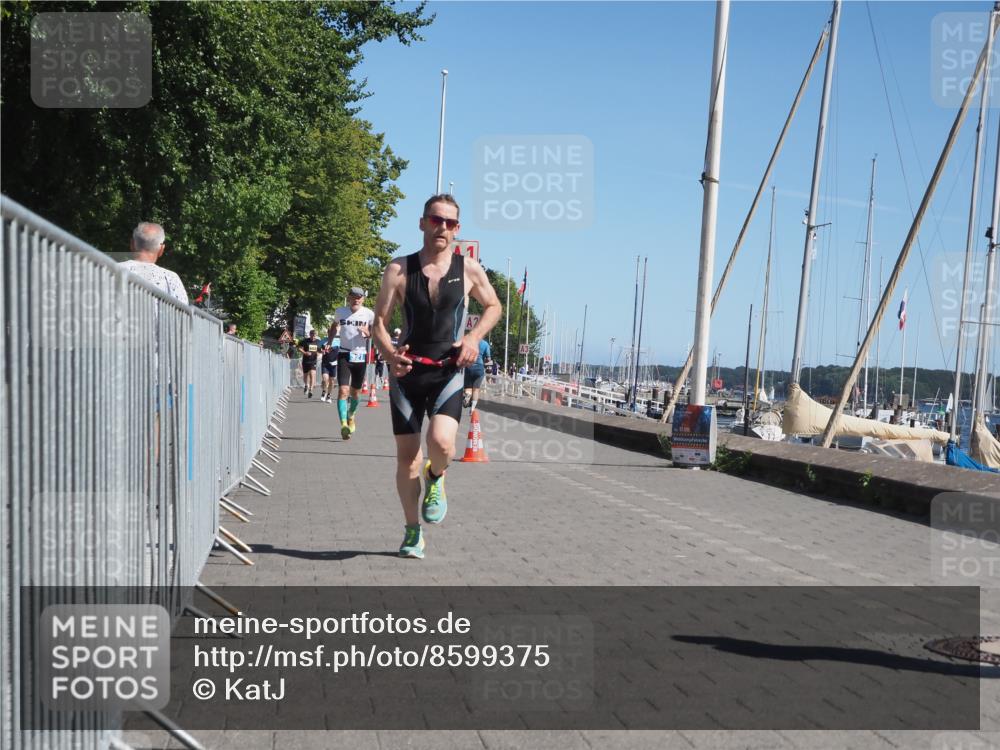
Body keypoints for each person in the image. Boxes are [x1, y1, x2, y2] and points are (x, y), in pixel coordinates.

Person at [373, 194, 501, 559]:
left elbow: (494, 306)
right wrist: (388, 354)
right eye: (435, 220)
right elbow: (379, 323)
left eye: (450, 223)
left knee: (442, 444)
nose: (442, 227)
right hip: (407, 373)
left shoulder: (469, 269)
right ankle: (413, 532)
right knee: (407, 457)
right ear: (422, 222)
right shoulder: (399, 270)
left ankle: (437, 477)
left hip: (448, 371)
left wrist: (474, 338)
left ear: (458, 229)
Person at [331, 287, 375, 438]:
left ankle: (351, 415)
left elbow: (374, 332)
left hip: (360, 356)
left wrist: (368, 333)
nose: (356, 300)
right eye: (353, 297)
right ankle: (343, 424)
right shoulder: (340, 312)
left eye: (359, 297)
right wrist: (330, 343)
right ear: (348, 297)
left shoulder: (369, 314)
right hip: (344, 354)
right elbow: (334, 326)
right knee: (343, 391)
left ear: (363, 299)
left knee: (355, 392)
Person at [118, 222, 188, 304]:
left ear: (132, 244)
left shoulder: (109, 269)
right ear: (161, 249)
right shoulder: (170, 278)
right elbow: (183, 314)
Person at [463, 338, 493, 411]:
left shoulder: (469, 341)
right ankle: (472, 408)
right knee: (476, 389)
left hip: (469, 366)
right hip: (479, 368)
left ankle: (468, 395)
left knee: (468, 387)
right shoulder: (485, 344)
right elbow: (488, 359)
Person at [298, 329, 322, 397]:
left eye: (315, 335)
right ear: (310, 334)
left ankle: (311, 390)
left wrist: (319, 353)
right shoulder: (305, 341)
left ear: (316, 335)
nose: (313, 337)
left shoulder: (318, 342)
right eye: (312, 335)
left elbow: (321, 350)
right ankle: (306, 385)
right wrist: (305, 353)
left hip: (313, 361)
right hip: (305, 360)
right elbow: (299, 348)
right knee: (305, 375)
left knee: (312, 374)